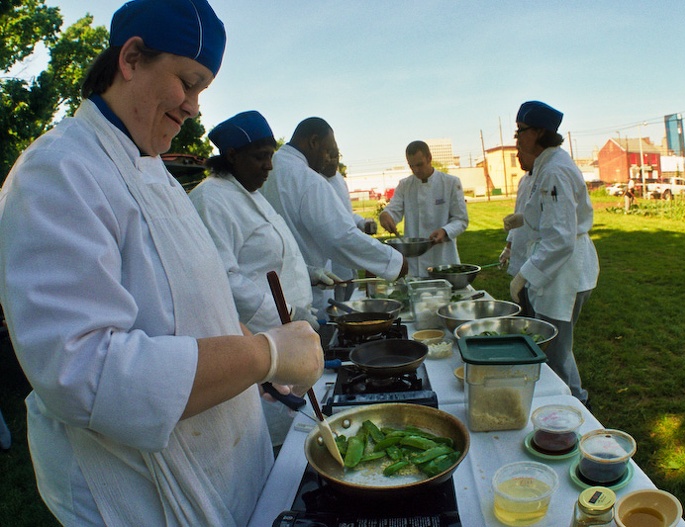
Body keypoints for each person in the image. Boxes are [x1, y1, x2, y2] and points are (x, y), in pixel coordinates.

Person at [0, 2, 324, 524]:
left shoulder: (153, 169)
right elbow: (84, 372)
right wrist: (263, 354)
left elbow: (197, 299)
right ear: (131, 58)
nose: (194, 107)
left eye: (203, 91)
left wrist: (255, 358)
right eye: (187, 82)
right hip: (139, 488)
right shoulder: (58, 170)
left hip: (220, 458)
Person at [189, 111, 324, 447]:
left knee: (299, 426)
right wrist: (288, 315)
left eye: (271, 156)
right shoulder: (212, 198)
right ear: (232, 155)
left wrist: (313, 275)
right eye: (260, 157)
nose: (269, 166)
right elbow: (223, 279)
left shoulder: (251, 194)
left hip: (289, 332)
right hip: (260, 338)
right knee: (273, 432)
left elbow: (275, 257)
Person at [261, 117, 407, 316]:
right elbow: (341, 238)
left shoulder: (270, 168)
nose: (329, 159)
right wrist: (393, 262)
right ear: (313, 142)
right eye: (327, 151)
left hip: (276, 289)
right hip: (303, 293)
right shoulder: (308, 179)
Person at [508, 101, 599, 406]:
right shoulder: (547, 164)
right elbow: (553, 215)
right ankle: (559, 401)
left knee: (556, 350)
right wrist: (524, 219)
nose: (517, 138)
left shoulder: (555, 171)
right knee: (552, 345)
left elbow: (561, 239)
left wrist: (525, 274)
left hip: (565, 272)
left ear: (539, 132)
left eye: (521, 131)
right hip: (557, 268)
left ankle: (577, 405)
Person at [379, 140, 469, 277]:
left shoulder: (450, 183)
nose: (416, 170)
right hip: (414, 263)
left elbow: (461, 219)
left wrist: (445, 231)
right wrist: (386, 215)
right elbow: (394, 209)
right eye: (411, 166)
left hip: (442, 257)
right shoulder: (405, 185)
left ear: (429, 158)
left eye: (419, 165)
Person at [319, 145, 378, 301]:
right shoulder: (316, 181)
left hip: (347, 256)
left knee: (348, 294)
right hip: (330, 259)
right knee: (335, 301)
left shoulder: (338, 178)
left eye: (336, 155)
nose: (332, 161)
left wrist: (361, 222)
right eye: (328, 155)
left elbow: (345, 214)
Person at [501, 148, 537, 316]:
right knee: (522, 307)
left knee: (535, 310)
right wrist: (508, 248)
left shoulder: (545, 177)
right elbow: (518, 213)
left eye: (522, 150)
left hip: (538, 255)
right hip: (521, 249)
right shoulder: (523, 180)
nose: (517, 155)